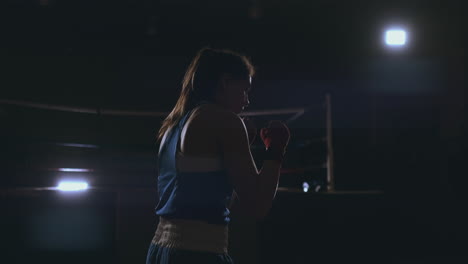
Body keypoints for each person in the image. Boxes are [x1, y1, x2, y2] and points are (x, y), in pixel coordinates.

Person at [146, 47, 290, 264]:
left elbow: (199, 188)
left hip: (159, 249)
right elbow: (258, 205)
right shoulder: (225, 121)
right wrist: (276, 150)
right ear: (224, 83)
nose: (247, 101)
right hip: (197, 253)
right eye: (244, 91)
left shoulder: (173, 126)